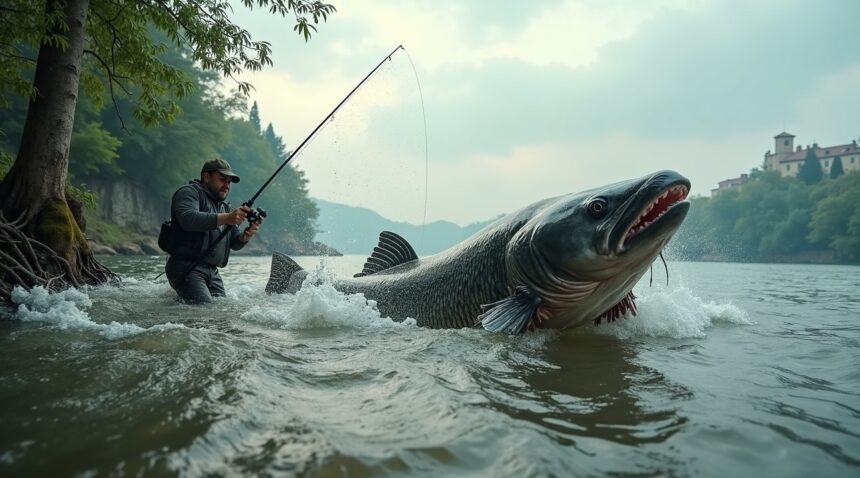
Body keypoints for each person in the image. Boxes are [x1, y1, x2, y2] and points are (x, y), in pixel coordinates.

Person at [165, 159, 263, 303]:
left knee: (221, 310)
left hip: (212, 272)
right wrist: (227, 218)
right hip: (186, 267)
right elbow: (188, 219)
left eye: (229, 182)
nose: (226, 185)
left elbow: (235, 243)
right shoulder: (188, 193)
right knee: (205, 310)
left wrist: (246, 235)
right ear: (206, 177)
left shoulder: (224, 207)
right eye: (222, 179)